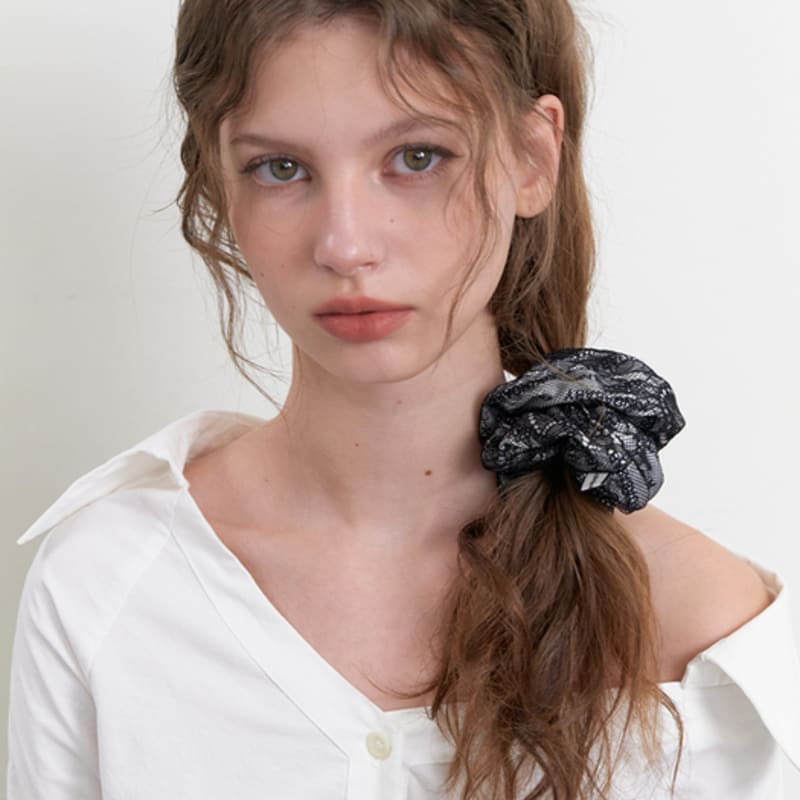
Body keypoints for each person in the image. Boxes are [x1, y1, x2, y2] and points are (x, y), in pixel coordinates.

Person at [7, 1, 800, 798]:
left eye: (417, 157)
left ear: (532, 157)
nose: (346, 245)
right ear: (219, 179)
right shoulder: (111, 587)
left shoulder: (711, 635)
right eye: (280, 168)